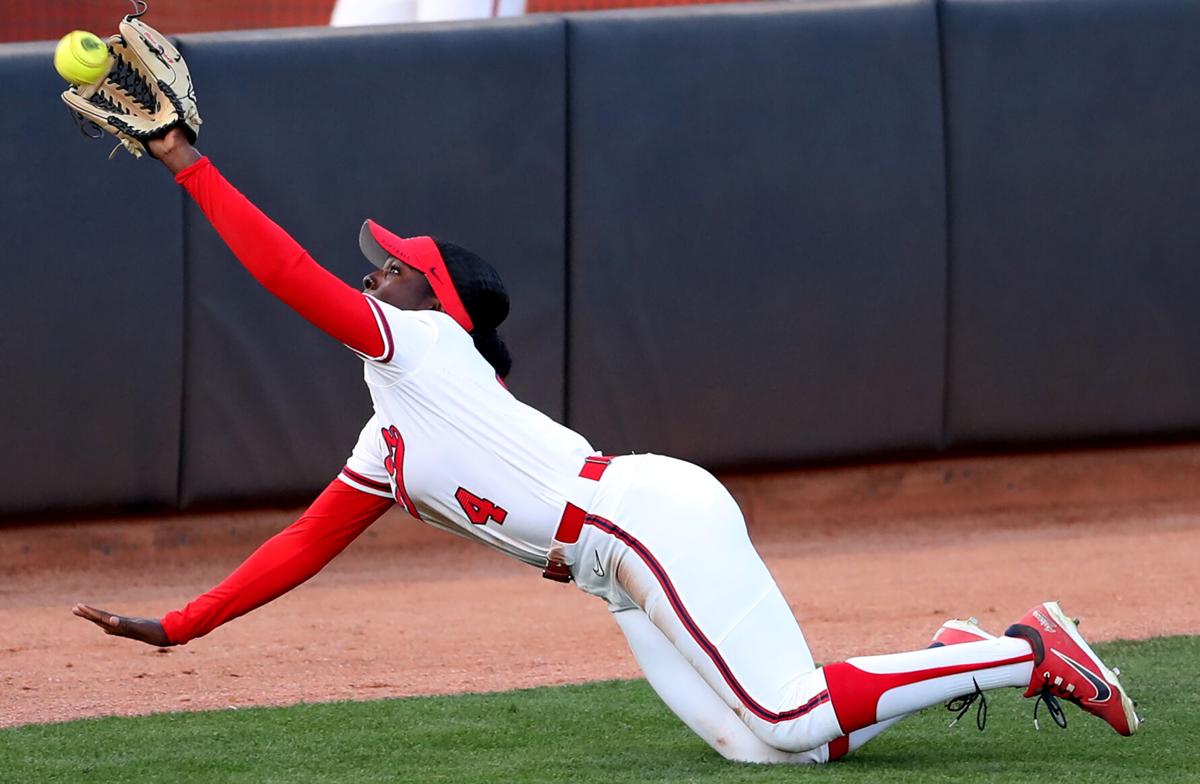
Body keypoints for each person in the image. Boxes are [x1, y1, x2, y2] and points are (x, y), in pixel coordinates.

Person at [74, 127, 1140, 763]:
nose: (374, 274)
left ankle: (1025, 646)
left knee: (788, 708)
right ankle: (954, 656)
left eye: (394, 266)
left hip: (640, 518)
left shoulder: (425, 342)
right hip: (617, 575)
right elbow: (299, 546)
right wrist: (179, 626)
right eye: (381, 265)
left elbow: (284, 277)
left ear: (436, 298)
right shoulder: (388, 437)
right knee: (772, 747)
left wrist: (187, 165)